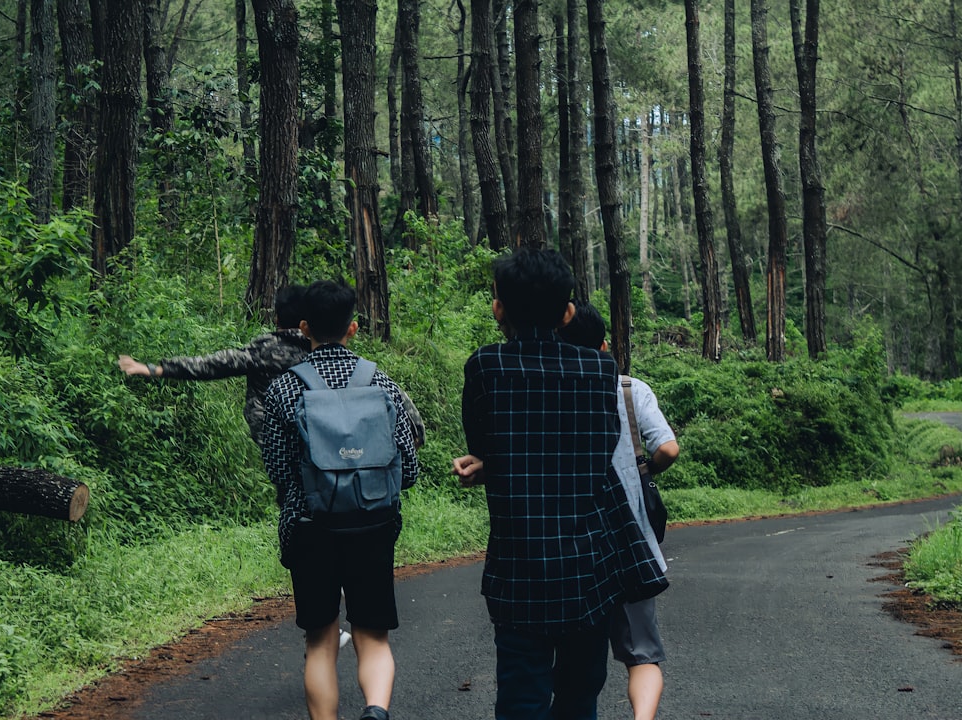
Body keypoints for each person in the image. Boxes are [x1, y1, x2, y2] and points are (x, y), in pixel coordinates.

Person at [451, 248, 668, 720]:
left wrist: (489, 467)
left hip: (518, 566)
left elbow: (486, 445)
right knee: (579, 691)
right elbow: (596, 450)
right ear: (568, 312)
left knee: (520, 694)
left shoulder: (485, 368)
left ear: (498, 308)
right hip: (588, 566)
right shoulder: (599, 371)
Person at [261, 279, 420, 720]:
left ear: (304, 328)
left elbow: (277, 469)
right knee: (373, 636)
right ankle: (374, 709)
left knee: (320, 640)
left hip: (310, 527)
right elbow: (408, 469)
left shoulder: (284, 390)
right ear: (353, 328)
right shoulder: (382, 383)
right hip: (372, 525)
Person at [558, 299, 679, 720]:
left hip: (572, 545)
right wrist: (643, 468)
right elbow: (667, 447)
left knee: (572, 662)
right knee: (642, 655)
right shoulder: (630, 389)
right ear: (605, 346)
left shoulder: (550, 389)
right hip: (631, 542)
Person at [117, 284, 311, 448]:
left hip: (277, 443)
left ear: (277, 318)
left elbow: (217, 364)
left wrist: (158, 369)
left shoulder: (268, 349)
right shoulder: (321, 348)